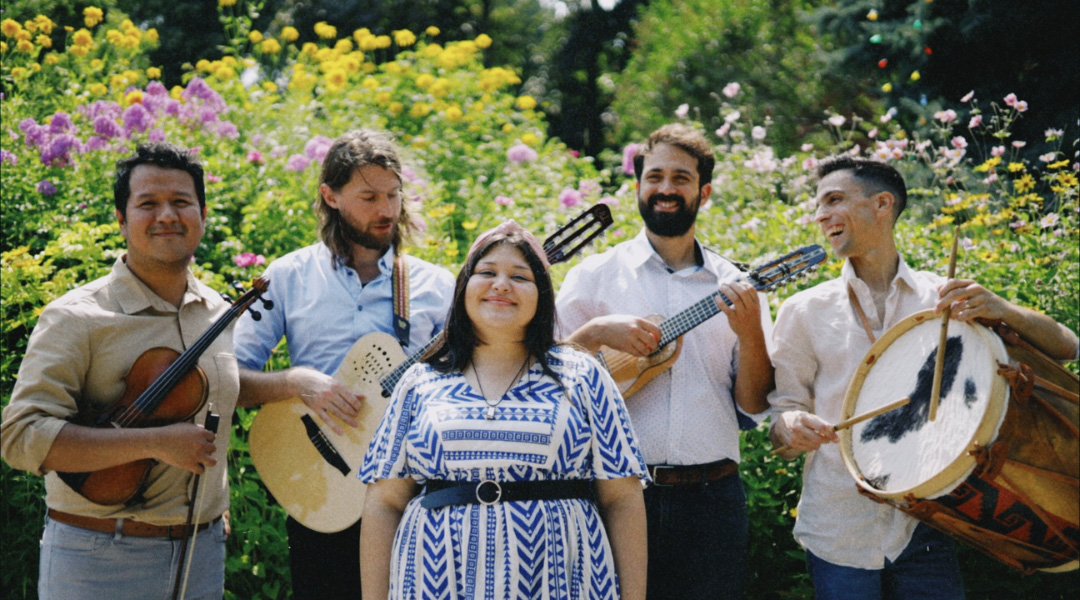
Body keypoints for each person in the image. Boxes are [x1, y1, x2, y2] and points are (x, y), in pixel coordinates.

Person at [768, 155, 1080, 600]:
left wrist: (1004, 310)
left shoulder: (947, 298)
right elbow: (781, 419)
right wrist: (791, 427)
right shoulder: (803, 311)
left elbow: (1067, 347)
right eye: (818, 205)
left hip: (930, 524)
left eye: (834, 200)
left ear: (882, 204)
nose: (821, 216)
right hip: (838, 527)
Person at [359, 221, 650, 600]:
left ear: (541, 294)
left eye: (519, 276)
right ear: (464, 288)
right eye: (487, 272)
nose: (501, 285)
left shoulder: (583, 375)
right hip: (438, 583)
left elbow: (622, 499)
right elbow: (385, 502)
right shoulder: (420, 381)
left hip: (560, 582)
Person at [0, 143, 236, 600]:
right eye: (148, 203)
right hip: (99, 556)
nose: (167, 214)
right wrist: (151, 442)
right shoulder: (77, 317)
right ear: (121, 218)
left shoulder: (217, 312)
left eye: (181, 202)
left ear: (202, 213)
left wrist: (294, 383)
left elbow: (217, 392)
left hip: (201, 555)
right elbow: (19, 436)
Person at [555, 123, 774, 599]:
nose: (666, 188)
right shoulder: (593, 276)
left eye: (681, 177)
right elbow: (544, 383)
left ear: (705, 191)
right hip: (615, 493)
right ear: (638, 186)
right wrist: (595, 335)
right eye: (654, 176)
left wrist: (752, 335)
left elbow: (754, 405)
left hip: (712, 499)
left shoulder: (737, 286)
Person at [234, 129, 455, 599]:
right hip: (320, 493)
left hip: (413, 495)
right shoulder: (288, 276)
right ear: (330, 196)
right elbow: (227, 380)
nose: (387, 210)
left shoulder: (437, 286)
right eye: (370, 196)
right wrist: (295, 381)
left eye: (394, 195)